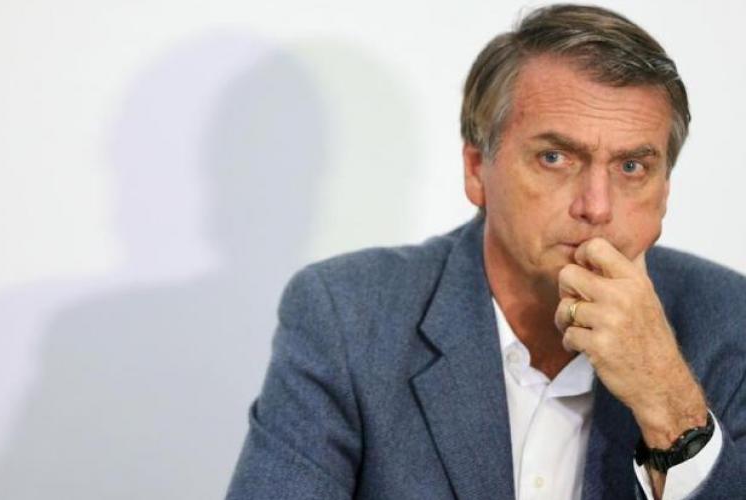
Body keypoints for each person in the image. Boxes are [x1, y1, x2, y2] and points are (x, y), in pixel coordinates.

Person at [226, 5, 746, 499]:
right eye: (555, 157)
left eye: (631, 167)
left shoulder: (728, 321)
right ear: (477, 170)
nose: (596, 207)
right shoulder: (349, 316)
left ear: (665, 190)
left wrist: (668, 402)